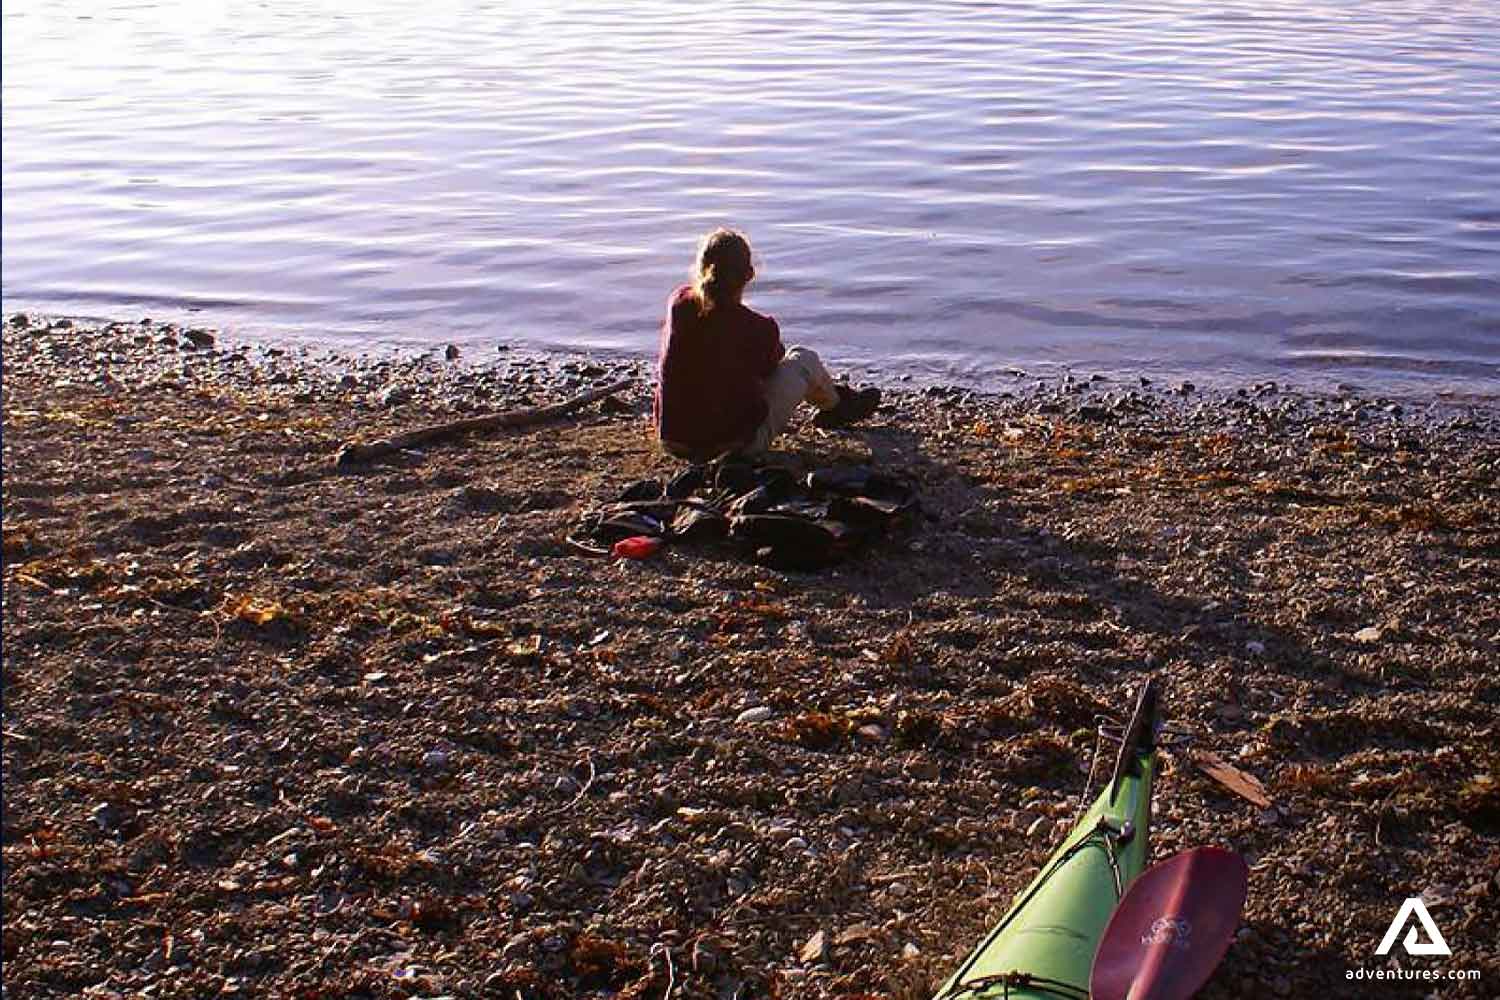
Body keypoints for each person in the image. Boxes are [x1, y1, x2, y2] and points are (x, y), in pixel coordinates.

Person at [655, 228, 881, 463]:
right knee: (802, 360)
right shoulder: (758, 328)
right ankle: (835, 406)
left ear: (702, 270)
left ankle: (835, 402)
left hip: (674, 440)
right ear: (749, 274)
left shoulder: (678, 304)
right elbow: (770, 369)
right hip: (731, 446)